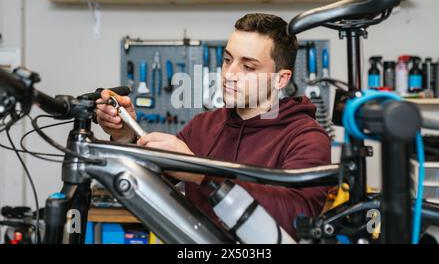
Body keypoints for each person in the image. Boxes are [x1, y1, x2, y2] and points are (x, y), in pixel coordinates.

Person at [96, 13, 331, 237]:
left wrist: (201, 176)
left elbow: (297, 219)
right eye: (227, 60)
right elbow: (147, 184)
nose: (229, 74)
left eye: (248, 67)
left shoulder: (307, 138)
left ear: (281, 78)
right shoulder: (204, 125)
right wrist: (125, 134)